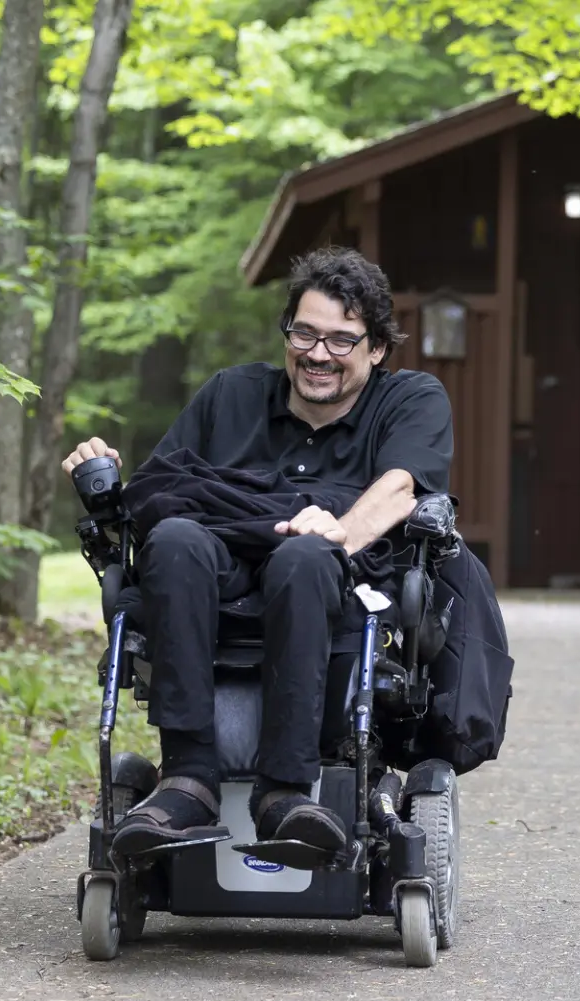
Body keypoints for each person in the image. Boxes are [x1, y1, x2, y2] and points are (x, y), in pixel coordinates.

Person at [60, 246, 454, 860]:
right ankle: (188, 778)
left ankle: (286, 791)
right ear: (287, 332)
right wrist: (107, 478)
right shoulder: (231, 394)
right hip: (217, 571)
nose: (318, 354)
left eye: (342, 341)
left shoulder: (410, 399)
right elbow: (158, 491)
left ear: (376, 349)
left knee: (303, 559)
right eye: (305, 333)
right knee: (175, 539)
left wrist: (338, 530)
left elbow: (402, 486)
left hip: (329, 583)